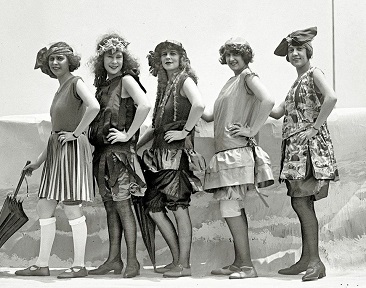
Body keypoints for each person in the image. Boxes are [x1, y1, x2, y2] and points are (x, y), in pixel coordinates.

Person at [15, 42, 100, 278]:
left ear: (69, 61)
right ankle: (42, 264)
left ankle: (79, 265)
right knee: (44, 205)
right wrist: (38, 162)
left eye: (60, 58)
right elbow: (55, 132)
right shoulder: (60, 88)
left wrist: (77, 133)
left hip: (72, 151)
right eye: (51, 59)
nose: (55, 63)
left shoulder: (76, 83)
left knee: (71, 206)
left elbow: (94, 107)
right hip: (57, 152)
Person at [201, 37, 275, 279]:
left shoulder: (248, 77)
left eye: (237, 54)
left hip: (236, 153)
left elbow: (269, 101)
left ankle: (247, 266)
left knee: (230, 205)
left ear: (246, 56)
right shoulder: (231, 82)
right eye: (229, 54)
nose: (232, 58)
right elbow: (211, 116)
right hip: (225, 153)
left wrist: (251, 130)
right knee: (232, 206)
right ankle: (239, 263)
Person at [271, 27, 338, 282]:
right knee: (300, 202)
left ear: (308, 52)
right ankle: (305, 260)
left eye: (299, 49)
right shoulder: (295, 83)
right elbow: (277, 112)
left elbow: (331, 97)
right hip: (295, 152)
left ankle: (315, 262)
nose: (295, 53)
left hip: (309, 150)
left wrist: (315, 128)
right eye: (291, 50)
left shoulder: (314, 72)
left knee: (302, 202)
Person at [137, 40, 205, 278]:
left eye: (172, 53)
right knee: (154, 208)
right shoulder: (165, 85)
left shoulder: (184, 80)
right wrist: (133, 144)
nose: (167, 57)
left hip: (175, 155)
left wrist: (185, 131)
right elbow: (157, 127)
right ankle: (177, 259)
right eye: (163, 54)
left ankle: (184, 265)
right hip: (157, 156)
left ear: (181, 57)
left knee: (178, 207)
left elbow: (199, 105)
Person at [87, 34, 151, 278]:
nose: (114, 61)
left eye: (118, 56)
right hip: (102, 154)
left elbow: (144, 105)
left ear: (125, 59)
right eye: (109, 56)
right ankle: (113, 260)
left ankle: (132, 261)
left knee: (124, 208)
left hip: (120, 156)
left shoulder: (126, 79)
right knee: (110, 209)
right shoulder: (103, 86)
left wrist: (128, 135)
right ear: (101, 59)